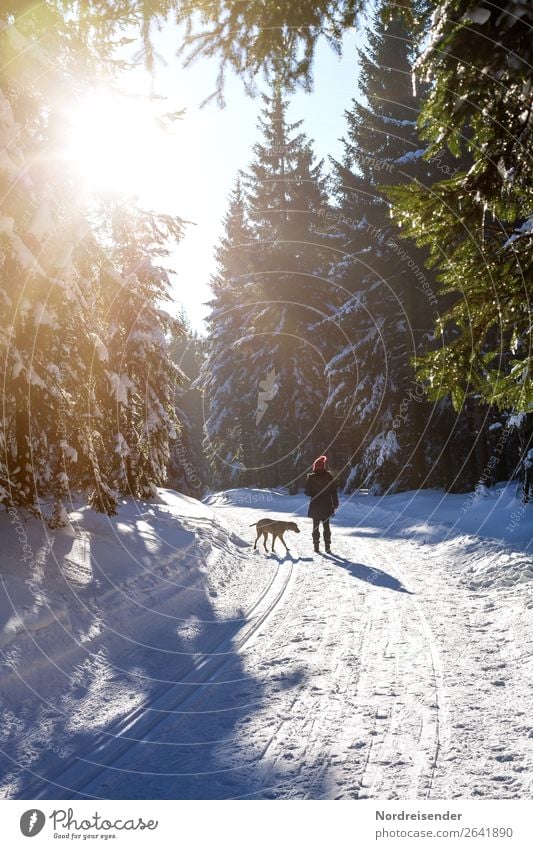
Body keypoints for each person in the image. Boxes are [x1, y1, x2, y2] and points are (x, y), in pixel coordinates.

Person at [304, 455, 339, 553]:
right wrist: (335, 504)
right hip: (327, 504)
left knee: (315, 526)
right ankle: (327, 547)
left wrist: (313, 492)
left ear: (315, 466)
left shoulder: (311, 477)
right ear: (323, 466)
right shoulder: (329, 476)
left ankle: (316, 547)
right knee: (326, 526)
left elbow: (307, 492)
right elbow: (334, 491)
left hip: (315, 504)